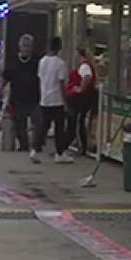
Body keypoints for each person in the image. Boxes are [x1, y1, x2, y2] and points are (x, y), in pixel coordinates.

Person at [3, 34, 43, 161]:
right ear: (20, 47)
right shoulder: (13, 61)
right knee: (21, 124)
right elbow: (6, 77)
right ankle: (24, 145)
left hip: (35, 97)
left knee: (38, 123)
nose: (26, 48)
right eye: (24, 46)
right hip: (18, 98)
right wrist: (0, 90)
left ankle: (37, 145)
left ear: (32, 47)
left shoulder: (37, 61)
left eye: (28, 46)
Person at [35, 36, 72, 164]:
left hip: (45, 99)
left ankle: (35, 150)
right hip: (57, 100)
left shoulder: (42, 61)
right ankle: (59, 153)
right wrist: (65, 102)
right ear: (59, 47)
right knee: (59, 129)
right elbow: (62, 84)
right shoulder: (60, 64)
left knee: (43, 127)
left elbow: (40, 79)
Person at [65, 45, 100, 157]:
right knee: (80, 122)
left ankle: (82, 146)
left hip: (82, 99)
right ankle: (81, 145)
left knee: (79, 122)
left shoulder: (84, 66)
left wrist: (80, 88)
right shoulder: (87, 65)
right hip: (85, 98)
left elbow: (87, 77)